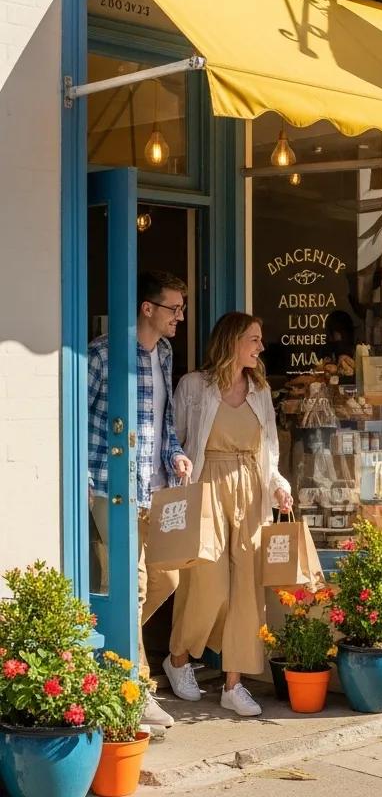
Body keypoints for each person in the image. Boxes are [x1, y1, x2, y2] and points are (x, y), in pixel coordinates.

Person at [165, 313, 293, 717]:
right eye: (253, 339)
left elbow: (268, 449)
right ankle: (179, 657)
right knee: (209, 583)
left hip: (251, 490)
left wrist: (278, 485)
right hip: (207, 488)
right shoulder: (194, 387)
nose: (260, 347)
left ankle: (234, 684)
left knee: (247, 591)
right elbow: (178, 441)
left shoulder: (259, 390)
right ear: (232, 341)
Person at [88, 269, 192, 731]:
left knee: (166, 579)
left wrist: (176, 454)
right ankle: (136, 689)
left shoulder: (165, 353)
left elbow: (163, 419)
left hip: (156, 488)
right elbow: (77, 416)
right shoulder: (101, 354)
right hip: (111, 489)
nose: (181, 317)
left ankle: (105, 641)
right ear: (148, 309)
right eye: (175, 308)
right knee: (132, 584)